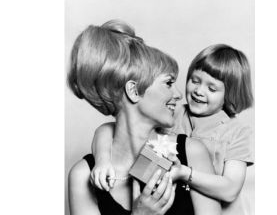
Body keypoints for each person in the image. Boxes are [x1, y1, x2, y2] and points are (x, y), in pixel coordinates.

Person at [67, 19, 221, 215]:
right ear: (134, 91)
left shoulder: (191, 153)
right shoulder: (83, 176)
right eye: (168, 83)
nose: (178, 94)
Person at [90, 44, 254, 215]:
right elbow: (109, 130)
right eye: (194, 80)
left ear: (230, 94)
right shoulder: (172, 113)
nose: (198, 91)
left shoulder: (237, 132)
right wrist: (103, 160)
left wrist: (184, 173)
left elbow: (230, 190)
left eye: (211, 88)